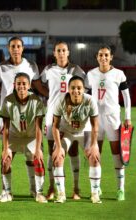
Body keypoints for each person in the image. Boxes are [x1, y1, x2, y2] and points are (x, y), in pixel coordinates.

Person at [0, 36, 47, 198]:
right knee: (6, 155)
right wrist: (2, 95)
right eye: (12, 46)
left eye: (18, 46)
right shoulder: (1, 67)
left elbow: (37, 86)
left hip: (27, 113)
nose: (15, 49)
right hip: (8, 113)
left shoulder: (31, 65)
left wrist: (51, 96)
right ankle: (6, 192)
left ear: (22, 49)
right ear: (9, 48)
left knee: (33, 156)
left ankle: (36, 190)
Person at [40, 41, 88, 200]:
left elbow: (85, 89)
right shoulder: (48, 70)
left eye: (64, 50)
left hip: (71, 116)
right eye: (58, 50)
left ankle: (76, 189)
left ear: (68, 53)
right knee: (51, 151)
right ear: (54, 53)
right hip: (52, 114)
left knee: (73, 150)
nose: (61, 53)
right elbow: (38, 84)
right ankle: (52, 187)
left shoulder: (76, 70)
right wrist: (49, 97)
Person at [87, 45, 132, 201]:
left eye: (106, 55)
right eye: (100, 55)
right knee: (95, 153)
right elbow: (86, 97)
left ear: (111, 57)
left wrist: (128, 117)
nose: (103, 58)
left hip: (113, 119)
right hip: (95, 119)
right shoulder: (91, 74)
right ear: (97, 57)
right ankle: (96, 188)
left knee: (116, 154)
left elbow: (126, 97)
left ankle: (120, 190)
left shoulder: (119, 74)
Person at [52, 75, 102, 204]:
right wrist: (58, 147)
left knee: (94, 157)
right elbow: (55, 126)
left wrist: (94, 144)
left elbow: (95, 125)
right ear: (68, 89)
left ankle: (95, 194)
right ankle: (61, 194)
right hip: (66, 131)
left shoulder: (90, 100)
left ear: (84, 89)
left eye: (79, 88)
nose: (76, 91)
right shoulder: (61, 100)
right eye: (73, 88)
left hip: (84, 132)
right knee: (57, 158)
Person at [0, 73, 47, 203]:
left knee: (38, 160)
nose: (21, 86)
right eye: (18, 84)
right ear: (14, 85)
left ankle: (38, 192)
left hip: (31, 136)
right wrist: (5, 149)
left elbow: (38, 128)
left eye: (24, 83)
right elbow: (6, 128)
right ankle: (7, 192)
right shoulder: (8, 101)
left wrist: (37, 149)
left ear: (29, 85)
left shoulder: (36, 101)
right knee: (5, 160)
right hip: (14, 136)